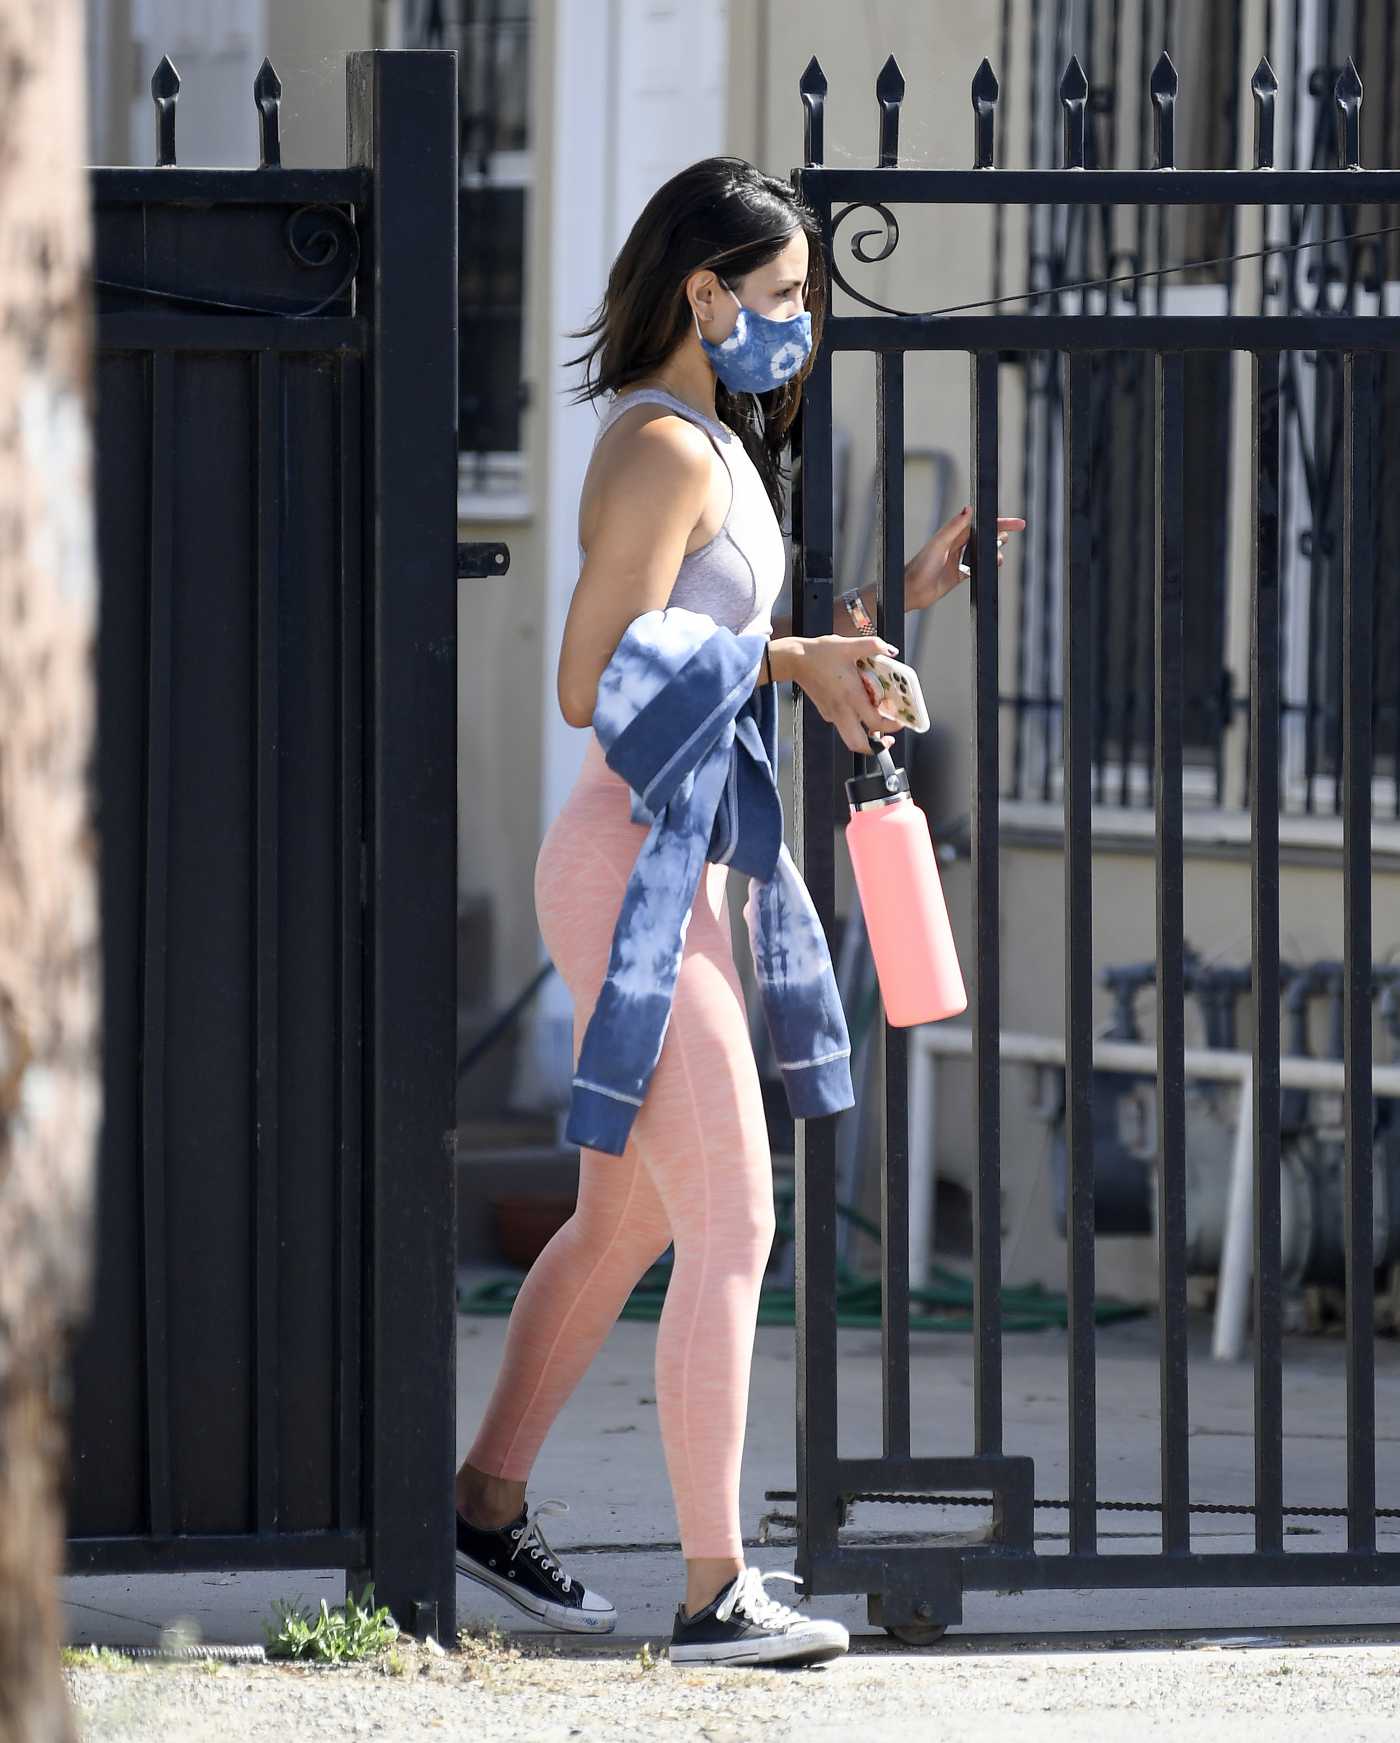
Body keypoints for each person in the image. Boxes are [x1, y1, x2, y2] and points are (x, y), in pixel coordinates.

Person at [454, 156, 1023, 1668]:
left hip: (693, 869)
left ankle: (482, 1501)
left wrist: (879, 621)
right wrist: (788, 666)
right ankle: (715, 1590)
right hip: (633, 867)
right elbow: (593, 682)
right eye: (779, 299)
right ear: (703, 294)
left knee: (625, 1222)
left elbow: (728, 645)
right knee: (740, 1215)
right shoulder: (663, 451)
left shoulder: (713, 442)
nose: (801, 327)